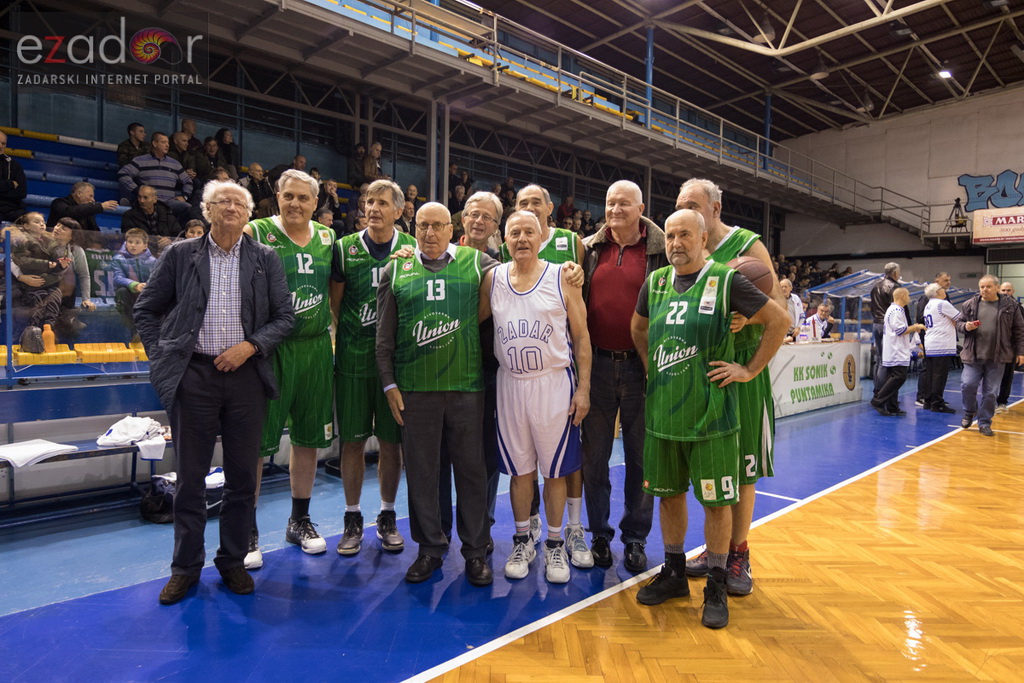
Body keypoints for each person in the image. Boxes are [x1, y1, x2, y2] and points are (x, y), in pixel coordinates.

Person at [134, 181, 294, 605]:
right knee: (190, 479)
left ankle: (233, 562)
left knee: (243, 477)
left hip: (246, 377)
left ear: (248, 215)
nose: (232, 208)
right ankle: (185, 568)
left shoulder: (265, 259)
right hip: (195, 377)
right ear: (207, 210)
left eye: (240, 203)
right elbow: (145, 309)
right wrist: (166, 356)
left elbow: (285, 317)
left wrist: (250, 346)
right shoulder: (180, 255)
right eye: (223, 202)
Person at [630, 209, 788, 629]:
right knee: (669, 496)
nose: (676, 243)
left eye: (685, 235)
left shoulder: (727, 280)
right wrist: (651, 367)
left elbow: (779, 320)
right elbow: (638, 329)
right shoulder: (655, 282)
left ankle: (716, 583)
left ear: (703, 240)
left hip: (712, 417)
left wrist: (749, 370)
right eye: (671, 236)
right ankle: (675, 572)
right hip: (664, 415)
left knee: (718, 504)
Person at [375, 202, 498, 586]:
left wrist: (566, 271)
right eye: (422, 226)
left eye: (437, 226)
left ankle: (476, 552)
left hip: (466, 388)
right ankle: (430, 549)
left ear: (452, 228)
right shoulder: (396, 267)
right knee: (425, 474)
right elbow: (384, 337)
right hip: (415, 390)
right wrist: (389, 384)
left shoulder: (478, 264)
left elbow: (523, 276)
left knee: (472, 473)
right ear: (414, 228)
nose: (429, 233)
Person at [674, 177, 786, 596]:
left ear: (715, 209)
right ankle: (714, 548)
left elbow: (775, 307)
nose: (687, 209)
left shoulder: (746, 246)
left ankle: (739, 552)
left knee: (741, 468)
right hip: (703, 370)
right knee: (711, 465)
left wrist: (746, 323)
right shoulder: (685, 247)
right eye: (681, 203)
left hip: (740, 367)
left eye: (694, 204)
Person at [479, 210, 591, 584]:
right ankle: (523, 539)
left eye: (529, 231)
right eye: (515, 233)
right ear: (504, 239)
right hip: (510, 384)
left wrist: (584, 388)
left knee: (555, 470)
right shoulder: (492, 278)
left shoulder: (562, 276)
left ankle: (555, 545)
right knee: (519, 471)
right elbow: (473, 322)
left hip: (553, 383)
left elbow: (582, 337)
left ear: (543, 235)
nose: (522, 238)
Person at [241, 170, 338, 567]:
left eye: (303, 197)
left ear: (316, 203)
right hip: (270, 349)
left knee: (309, 438)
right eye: (288, 196)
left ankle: (299, 520)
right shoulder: (256, 230)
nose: (295, 203)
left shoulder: (329, 239)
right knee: (255, 443)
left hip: (315, 347)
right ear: (276, 197)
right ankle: (245, 529)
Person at [581, 180, 667, 573]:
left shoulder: (663, 251)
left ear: (641, 207)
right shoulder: (587, 249)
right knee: (594, 458)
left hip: (641, 366)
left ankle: (635, 539)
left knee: (641, 460)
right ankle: (599, 534)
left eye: (624, 203)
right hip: (595, 365)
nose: (615, 209)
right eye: (610, 202)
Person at [330, 179, 416, 557]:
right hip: (352, 360)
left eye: (382, 202)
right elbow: (336, 304)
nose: (373, 208)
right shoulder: (344, 249)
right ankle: (352, 517)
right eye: (368, 201)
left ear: (399, 210)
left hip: (395, 366)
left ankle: (387, 514)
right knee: (351, 442)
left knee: (391, 445)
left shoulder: (412, 249)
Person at [958, 274, 1024, 436]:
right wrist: (965, 326)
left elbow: (1019, 330)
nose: (984, 290)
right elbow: (958, 324)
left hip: (998, 356)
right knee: (967, 384)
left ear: (996, 287)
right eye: (982, 287)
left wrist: (1021, 352)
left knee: (991, 392)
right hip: (973, 355)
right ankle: (969, 412)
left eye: (988, 287)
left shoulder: (1011, 306)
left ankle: (985, 422)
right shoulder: (970, 305)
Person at [9, 212, 66, 338]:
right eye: (36, 222)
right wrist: (46, 264)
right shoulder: (21, 241)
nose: (42, 224)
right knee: (40, 298)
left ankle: (49, 329)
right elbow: (20, 261)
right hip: (27, 284)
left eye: (43, 222)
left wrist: (60, 264)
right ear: (26, 226)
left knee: (55, 294)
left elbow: (56, 264)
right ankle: (32, 333)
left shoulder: (50, 242)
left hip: (48, 281)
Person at [871, 288, 925, 417]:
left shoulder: (896, 310)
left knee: (893, 377)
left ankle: (892, 406)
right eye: (908, 295)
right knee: (898, 377)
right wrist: (916, 327)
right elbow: (900, 330)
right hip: (896, 350)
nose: (910, 297)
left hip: (895, 349)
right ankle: (878, 400)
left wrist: (912, 327)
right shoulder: (895, 311)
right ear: (902, 296)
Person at [118, 132, 193, 222]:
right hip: (150, 201)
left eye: (168, 143)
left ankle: (178, 233)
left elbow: (188, 182)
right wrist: (137, 190)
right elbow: (123, 174)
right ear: (154, 143)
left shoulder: (175, 163)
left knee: (188, 208)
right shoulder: (140, 160)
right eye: (163, 142)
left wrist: (185, 196)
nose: (167, 145)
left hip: (169, 202)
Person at [920, 283, 960, 414]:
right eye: (942, 289)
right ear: (938, 292)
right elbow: (960, 317)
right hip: (942, 344)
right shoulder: (943, 304)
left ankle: (928, 400)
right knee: (939, 375)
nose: (945, 290)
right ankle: (937, 403)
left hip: (930, 342)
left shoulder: (928, 305)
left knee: (930, 374)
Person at [111, 228, 157, 339]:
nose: (133, 245)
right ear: (126, 244)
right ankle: (134, 330)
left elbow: (157, 279)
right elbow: (118, 278)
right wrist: (135, 285)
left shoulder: (153, 261)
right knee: (122, 290)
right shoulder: (118, 259)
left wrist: (146, 286)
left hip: (146, 293)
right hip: (128, 294)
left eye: (137, 242)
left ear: (145, 245)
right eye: (130, 242)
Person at [915, 272, 952, 406]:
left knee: (936, 371)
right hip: (929, 337)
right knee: (927, 368)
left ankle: (933, 396)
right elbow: (920, 318)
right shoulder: (927, 298)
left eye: (949, 280)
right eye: (945, 280)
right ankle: (922, 396)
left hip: (940, 339)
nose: (948, 283)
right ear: (937, 281)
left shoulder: (945, 297)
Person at [120, 185, 179, 251]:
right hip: (141, 252)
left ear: (155, 199)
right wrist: (153, 242)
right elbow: (129, 236)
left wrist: (170, 241)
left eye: (145, 198)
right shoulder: (129, 216)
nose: (141, 201)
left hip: (165, 252)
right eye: (139, 197)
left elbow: (178, 236)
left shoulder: (167, 215)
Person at [870, 262, 901, 383]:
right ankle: (883, 392)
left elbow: (872, 306)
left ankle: (877, 390)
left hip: (876, 323)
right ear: (895, 273)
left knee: (879, 359)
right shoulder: (894, 286)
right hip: (888, 324)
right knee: (887, 360)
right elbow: (897, 307)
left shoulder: (875, 286)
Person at [49, 182, 119, 232]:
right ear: (79, 194)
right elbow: (70, 212)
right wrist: (100, 206)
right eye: (90, 196)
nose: (93, 200)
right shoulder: (58, 203)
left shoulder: (89, 211)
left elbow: (94, 230)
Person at [997, 281, 1023, 412]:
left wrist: (1020, 351)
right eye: (1003, 290)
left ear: (1013, 291)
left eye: (1008, 290)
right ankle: (988, 401)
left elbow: (1021, 331)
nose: (1005, 293)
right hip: (993, 348)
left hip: (1010, 349)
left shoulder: (1018, 307)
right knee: (991, 375)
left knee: (1007, 376)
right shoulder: (993, 305)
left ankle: (1002, 402)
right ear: (999, 290)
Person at [0, 131, 28, 221]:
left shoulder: (13, 165)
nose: (0, 146)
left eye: (3, 143)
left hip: (11, 210)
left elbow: (22, 192)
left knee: (31, 221)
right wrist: (10, 184)